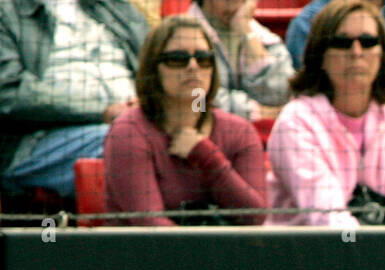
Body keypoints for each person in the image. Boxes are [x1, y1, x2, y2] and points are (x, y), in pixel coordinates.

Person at [268, 0, 385, 227]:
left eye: (368, 42)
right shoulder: (295, 121)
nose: (356, 52)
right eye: (342, 42)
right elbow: (326, 218)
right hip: (307, 258)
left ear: (382, 53)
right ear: (320, 55)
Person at [103, 15, 266, 225]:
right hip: (147, 256)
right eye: (177, 59)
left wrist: (206, 157)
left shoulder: (239, 131)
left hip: (226, 255)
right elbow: (150, 226)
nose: (193, 66)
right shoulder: (128, 131)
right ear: (154, 68)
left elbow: (254, 217)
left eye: (203, 58)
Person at [0, 0, 149, 203]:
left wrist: (152, 101)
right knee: (131, 142)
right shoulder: (6, 11)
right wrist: (101, 112)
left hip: (133, 122)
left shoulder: (117, 8)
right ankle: (159, 229)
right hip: (36, 141)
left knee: (190, 136)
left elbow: (158, 67)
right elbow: (7, 94)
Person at [186, 0, 294, 121]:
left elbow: (281, 94)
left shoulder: (266, 38)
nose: (237, 6)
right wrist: (254, 112)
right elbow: (196, 101)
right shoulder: (180, 37)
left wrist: (247, 33)